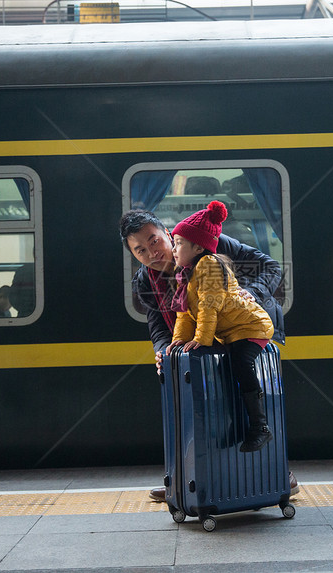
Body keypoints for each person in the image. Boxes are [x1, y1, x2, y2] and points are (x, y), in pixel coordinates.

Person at [119, 208, 295, 501]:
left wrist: (250, 291)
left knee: (246, 392)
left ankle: (278, 473)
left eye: (154, 241)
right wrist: (164, 353)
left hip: (246, 327)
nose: (151, 252)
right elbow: (159, 328)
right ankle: (188, 479)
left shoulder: (210, 243)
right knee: (195, 405)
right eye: (140, 250)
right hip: (203, 339)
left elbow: (271, 268)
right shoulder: (145, 281)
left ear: (168, 234)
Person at [165, 201, 276, 453]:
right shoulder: (187, 273)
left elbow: (209, 306)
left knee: (240, 363)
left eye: (179, 243)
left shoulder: (209, 265)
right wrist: (178, 340)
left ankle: (260, 427)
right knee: (227, 372)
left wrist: (202, 340)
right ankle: (238, 426)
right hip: (232, 332)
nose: (174, 248)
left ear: (198, 246)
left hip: (251, 327)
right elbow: (184, 313)